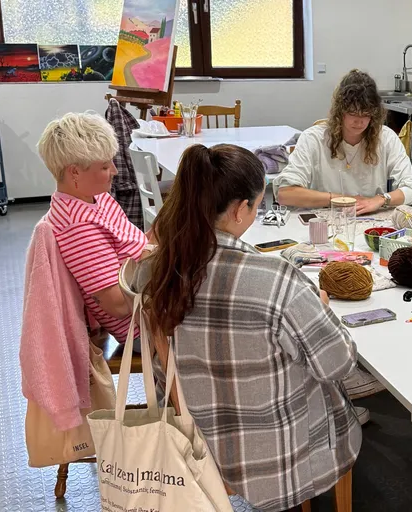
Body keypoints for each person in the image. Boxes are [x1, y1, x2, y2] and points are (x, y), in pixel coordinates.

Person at [135, 144, 361, 511]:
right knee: (342, 390)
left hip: (190, 438)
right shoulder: (276, 280)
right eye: (257, 206)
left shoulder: (157, 269)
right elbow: (338, 363)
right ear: (241, 209)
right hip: (275, 457)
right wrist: (319, 310)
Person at [37, 111, 148, 345]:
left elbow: (132, 243)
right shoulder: (77, 227)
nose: (115, 172)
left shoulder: (97, 198)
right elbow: (117, 304)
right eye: (106, 166)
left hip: (153, 299)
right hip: (144, 327)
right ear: (74, 172)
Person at [275, 69, 412, 214]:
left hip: (369, 219)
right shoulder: (313, 139)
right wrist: (341, 200)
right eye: (353, 113)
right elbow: (285, 193)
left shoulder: (385, 138)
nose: (359, 121)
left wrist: (382, 199)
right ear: (339, 111)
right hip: (324, 221)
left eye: (366, 114)